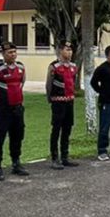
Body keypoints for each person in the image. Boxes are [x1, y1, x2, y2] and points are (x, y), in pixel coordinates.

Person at [0, 42, 29, 180]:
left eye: (14, 52)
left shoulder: (20, 67)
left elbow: (22, 83)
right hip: (3, 110)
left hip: (17, 108)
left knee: (17, 136)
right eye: (10, 52)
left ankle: (16, 162)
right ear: (3, 54)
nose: (13, 55)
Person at [46, 41, 80, 169]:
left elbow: (72, 83)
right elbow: (49, 84)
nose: (69, 52)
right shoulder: (54, 67)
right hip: (58, 101)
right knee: (56, 130)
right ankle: (55, 158)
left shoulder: (73, 66)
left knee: (67, 129)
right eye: (67, 50)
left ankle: (65, 156)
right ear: (60, 51)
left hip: (69, 101)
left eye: (70, 50)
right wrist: (50, 99)